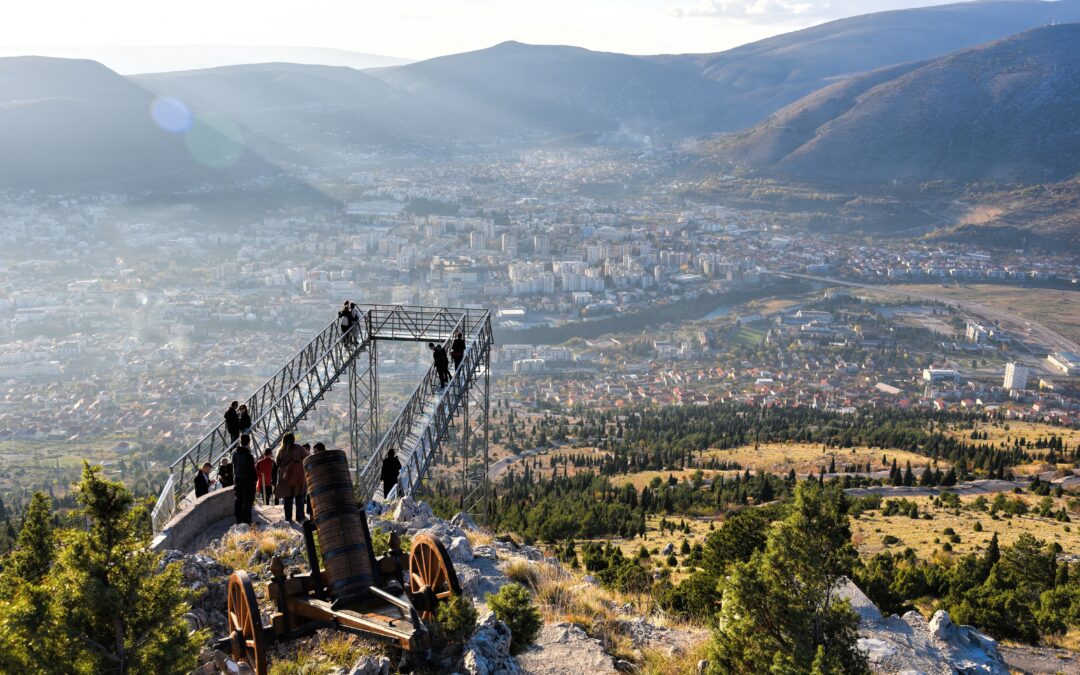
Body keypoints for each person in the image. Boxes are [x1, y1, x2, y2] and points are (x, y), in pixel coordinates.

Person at [275, 432, 309, 523]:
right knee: (299, 496)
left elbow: (278, 463)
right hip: (298, 476)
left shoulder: (281, 450)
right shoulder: (299, 448)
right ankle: (300, 517)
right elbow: (307, 458)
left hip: (286, 477)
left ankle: (288, 518)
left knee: (288, 498)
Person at [232, 434, 257, 524]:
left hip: (238, 480)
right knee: (247, 502)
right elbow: (251, 470)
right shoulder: (248, 455)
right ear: (249, 442)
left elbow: (234, 466)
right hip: (248, 482)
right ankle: (247, 522)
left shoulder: (235, 453)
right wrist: (255, 479)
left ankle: (239, 520)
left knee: (238, 500)